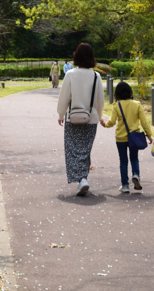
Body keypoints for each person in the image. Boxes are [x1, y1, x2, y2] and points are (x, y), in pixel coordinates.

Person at [57, 43, 106, 196]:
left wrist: (60, 114)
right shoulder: (96, 76)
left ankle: (80, 180)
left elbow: (64, 96)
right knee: (85, 150)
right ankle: (83, 178)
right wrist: (99, 115)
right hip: (90, 119)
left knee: (72, 150)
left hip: (73, 118)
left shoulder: (70, 74)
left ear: (76, 56)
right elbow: (100, 100)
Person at [102, 81, 154, 194]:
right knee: (134, 158)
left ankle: (125, 185)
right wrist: (149, 135)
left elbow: (111, 122)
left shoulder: (117, 106)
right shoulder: (137, 105)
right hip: (134, 138)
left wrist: (104, 124)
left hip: (120, 138)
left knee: (123, 161)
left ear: (117, 94)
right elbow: (144, 122)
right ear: (130, 92)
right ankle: (136, 175)